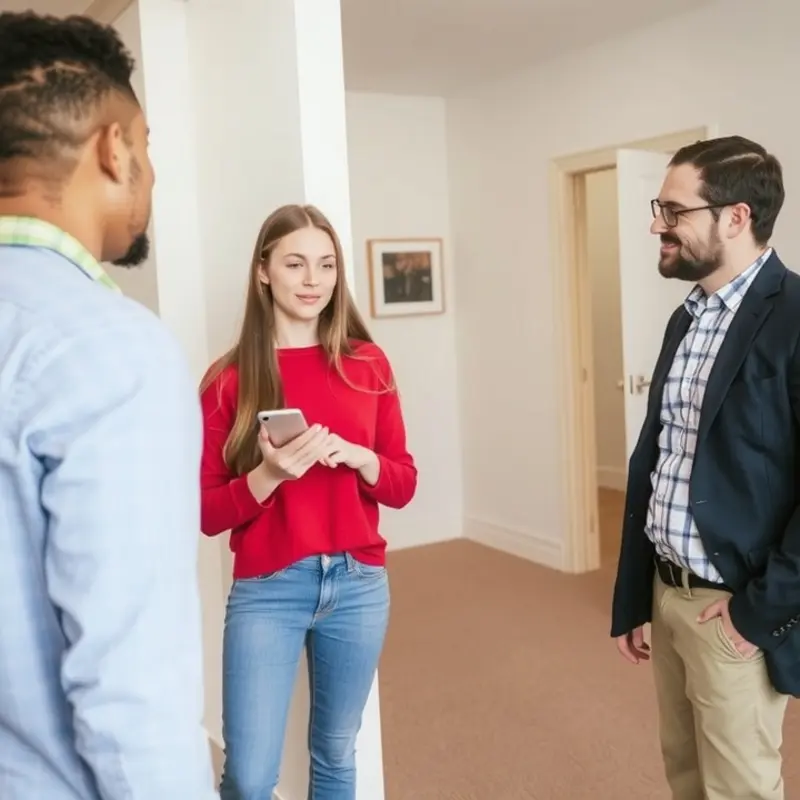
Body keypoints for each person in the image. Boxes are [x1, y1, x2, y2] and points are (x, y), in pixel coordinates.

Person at [0, 12, 215, 800]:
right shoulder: (108, 348)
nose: (153, 174)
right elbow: (132, 692)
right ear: (113, 148)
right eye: (148, 145)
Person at [199, 203, 417, 800]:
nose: (313, 280)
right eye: (295, 263)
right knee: (248, 776)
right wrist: (269, 474)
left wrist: (362, 459)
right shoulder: (227, 380)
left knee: (335, 752)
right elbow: (208, 512)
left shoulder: (368, 365)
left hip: (358, 584)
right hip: (268, 587)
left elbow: (402, 484)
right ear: (264, 271)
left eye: (326, 265)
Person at [611, 135, 800, 800]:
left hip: (733, 608)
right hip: (668, 596)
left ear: (736, 217)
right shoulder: (686, 318)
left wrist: (758, 614)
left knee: (740, 789)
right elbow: (660, 462)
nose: (656, 225)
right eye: (656, 207)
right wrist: (640, 593)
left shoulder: (796, 317)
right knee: (686, 776)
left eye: (672, 211)